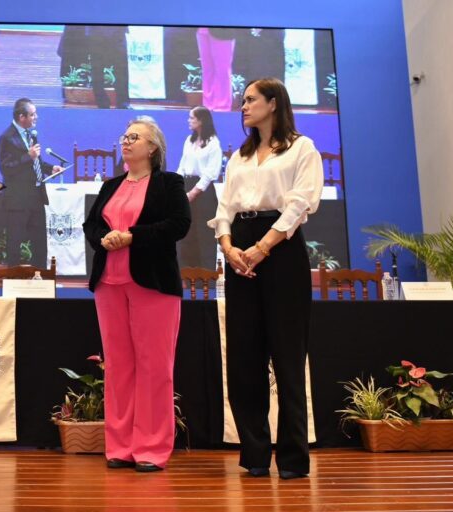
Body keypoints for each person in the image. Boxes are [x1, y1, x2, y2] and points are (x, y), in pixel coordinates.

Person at [209, 78, 323, 480]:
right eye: (242, 101)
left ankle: (292, 457)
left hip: (281, 251)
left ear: (273, 104)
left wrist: (262, 248)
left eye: (251, 99)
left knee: (288, 356)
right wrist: (228, 246)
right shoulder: (239, 156)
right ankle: (254, 454)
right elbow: (224, 207)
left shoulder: (301, 148)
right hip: (239, 251)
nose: (243, 106)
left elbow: (299, 205)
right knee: (243, 357)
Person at [83, 118, 191, 472]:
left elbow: (179, 224)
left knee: (154, 366)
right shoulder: (111, 184)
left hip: (153, 282)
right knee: (118, 367)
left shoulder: (168, 183)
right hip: (109, 283)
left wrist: (132, 236)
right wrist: (104, 237)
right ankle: (120, 445)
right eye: (124, 135)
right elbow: (92, 224)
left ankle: (151, 447)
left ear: (153, 147)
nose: (126, 142)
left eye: (134, 137)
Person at [0, 98, 62, 267]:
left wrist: (50, 169)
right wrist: (28, 156)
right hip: (18, 200)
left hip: (36, 197)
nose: (36, 117)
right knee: (14, 243)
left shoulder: (31, 134)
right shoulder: (6, 137)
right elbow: (6, 168)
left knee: (40, 241)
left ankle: (40, 278)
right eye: (33, 114)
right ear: (21, 116)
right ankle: (13, 281)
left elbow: (36, 163)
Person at [175, 106, 222, 269]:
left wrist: (194, 192)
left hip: (204, 191)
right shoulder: (189, 140)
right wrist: (176, 185)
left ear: (201, 120)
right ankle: (185, 274)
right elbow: (182, 166)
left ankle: (207, 276)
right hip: (186, 185)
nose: (189, 121)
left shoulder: (213, 143)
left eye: (192, 118)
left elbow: (210, 173)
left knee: (203, 232)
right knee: (185, 231)